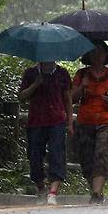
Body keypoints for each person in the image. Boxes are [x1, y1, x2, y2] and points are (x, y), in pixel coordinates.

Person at [71, 41, 108, 204]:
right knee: (86, 159)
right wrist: (82, 87)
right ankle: (97, 191)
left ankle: (96, 194)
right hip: (85, 121)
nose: (97, 55)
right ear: (88, 55)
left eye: (100, 52)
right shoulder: (81, 75)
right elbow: (72, 97)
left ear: (106, 55)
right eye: (93, 52)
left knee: (101, 154)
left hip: (106, 121)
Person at [18, 60, 73, 205]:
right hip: (36, 121)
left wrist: (70, 122)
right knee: (34, 155)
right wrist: (35, 84)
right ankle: (41, 188)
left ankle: (53, 192)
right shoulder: (31, 73)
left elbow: (67, 98)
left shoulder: (62, 74)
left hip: (57, 121)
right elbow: (21, 96)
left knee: (57, 154)